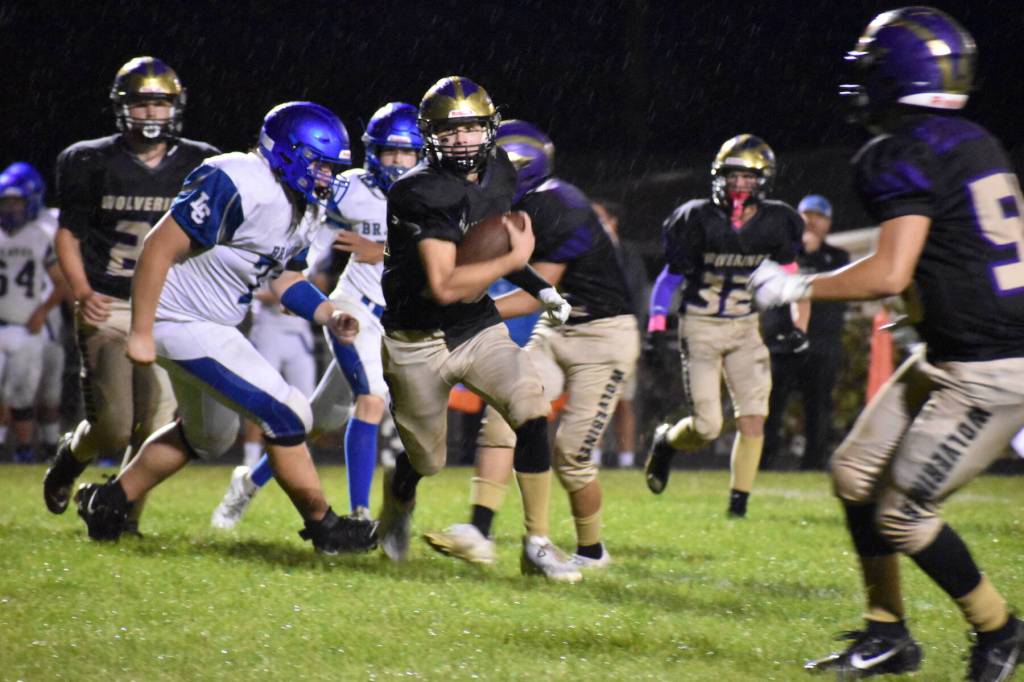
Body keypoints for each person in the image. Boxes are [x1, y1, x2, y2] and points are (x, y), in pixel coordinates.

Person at [747, 8, 1024, 680]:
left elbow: (891, 269)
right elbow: (950, 253)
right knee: (854, 476)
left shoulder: (898, 149)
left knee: (902, 513)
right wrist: (924, 309)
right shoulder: (972, 139)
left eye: (870, 65)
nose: (860, 79)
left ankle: (1001, 630)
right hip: (956, 351)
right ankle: (887, 631)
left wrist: (795, 287)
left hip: (989, 369)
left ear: (894, 75)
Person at [71, 101, 377, 554]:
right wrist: (140, 330)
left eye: (332, 169)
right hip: (178, 318)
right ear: (288, 153)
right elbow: (157, 248)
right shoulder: (239, 179)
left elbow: (285, 277)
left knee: (210, 437)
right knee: (290, 412)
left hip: (212, 323)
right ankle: (325, 526)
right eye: (320, 166)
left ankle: (109, 501)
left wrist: (328, 313)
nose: (327, 178)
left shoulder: (302, 207)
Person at [376, 76, 580, 582]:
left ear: (490, 129)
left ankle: (537, 543)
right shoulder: (417, 190)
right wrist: (518, 259)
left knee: (532, 408)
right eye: (451, 130)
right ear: (431, 135)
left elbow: (487, 249)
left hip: (475, 326)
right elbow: (444, 284)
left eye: (471, 128)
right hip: (417, 338)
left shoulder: (499, 172)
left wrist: (540, 286)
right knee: (427, 459)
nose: (463, 140)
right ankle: (397, 503)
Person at [423, 120, 639, 569]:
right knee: (507, 412)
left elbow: (537, 292)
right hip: (557, 331)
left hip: (603, 337)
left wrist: (461, 309)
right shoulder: (521, 202)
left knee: (571, 455)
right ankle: (479, 532)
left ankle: (591, 552)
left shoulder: (562, 207)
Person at [210, 102, 424, 529]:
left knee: (315, 421)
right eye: (389, 152)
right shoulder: (349, 188)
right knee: (371, 399)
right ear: (373, 152)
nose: (398, 162)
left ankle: (248, 483)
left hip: (397, 325)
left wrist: (380, 250)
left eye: (407, 152)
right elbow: (306, 224)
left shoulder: (431, 196)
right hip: (354, 310)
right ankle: (361, 515)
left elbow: (444, 256)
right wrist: (297, 277)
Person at [43, 57, 220, 533]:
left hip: (167, 307)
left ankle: (118, 515)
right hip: (110, 300)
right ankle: (72, 455)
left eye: (159, 103)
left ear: (175, 107)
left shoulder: (200, 161)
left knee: (155, 422)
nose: (150, 114)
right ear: (123, 108)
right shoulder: (88, 159)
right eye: (141, 104)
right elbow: (68, 235)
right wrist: (81, 291)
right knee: (115, 426)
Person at [644, 134, 803, 517]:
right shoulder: (695, 218)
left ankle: (737, 508)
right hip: (700, 326)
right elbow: (669, 279)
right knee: (708, 426)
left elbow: (791, 278)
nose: (739, 184)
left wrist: (794, 323)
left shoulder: (779, 221)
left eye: (748, 177)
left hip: (747, 327)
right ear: (719, 176)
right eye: (733, 175)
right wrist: (655, 325)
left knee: (753, 418)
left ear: (763, 181)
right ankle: (666, 442)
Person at [760, 194, 849, 470]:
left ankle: (814, 463)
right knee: (771, 405)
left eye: (818, 216)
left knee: (819, 406)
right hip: (783, 342)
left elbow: (836, 290)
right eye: (806, 214)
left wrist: (811, 255)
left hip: (822, 343)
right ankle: (762, 461)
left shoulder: (837, 257)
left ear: (829, 222)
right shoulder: (780, 253)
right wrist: (800, 252)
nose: (811, 220)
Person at [0, 162, 68, 462]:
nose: (11, 207)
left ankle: (46, 450)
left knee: (42, 394)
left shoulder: (48, 227)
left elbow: (63, 278)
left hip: (39, 321)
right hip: (13, 317)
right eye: (6, 201)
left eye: (17, 200)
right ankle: (14, 450)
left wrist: (49, 309)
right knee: (9, 393)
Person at [593, 198, 646, 468]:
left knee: (624, 400)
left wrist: (639, 336)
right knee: (592, 399)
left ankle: (626, 459)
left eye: (599, 218)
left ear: (613, 222)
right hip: (590, 334)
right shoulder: (581, 251)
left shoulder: (627, 254)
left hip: (622, 333)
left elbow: (637, 297)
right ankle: (592, 456)